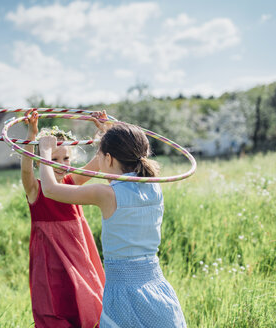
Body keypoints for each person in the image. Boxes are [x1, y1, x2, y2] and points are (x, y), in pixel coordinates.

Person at [38, 122, 187, 328]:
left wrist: (45, 151)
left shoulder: (106, 194)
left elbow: (50, 190)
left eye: (100, 154)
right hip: (156, 286)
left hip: (123, 293)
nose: (98, 159)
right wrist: (110, 135)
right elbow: (121, 169)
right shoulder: (154, 186)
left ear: (108, 158)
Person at [21, 109, 106, 328]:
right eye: (53, 158)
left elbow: (98, 163)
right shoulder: (35, 190)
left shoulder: (71, 182)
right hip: (51, 257)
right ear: (41, 161)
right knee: (55, 301)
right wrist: (32, 136)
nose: (61, 164)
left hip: (78, 251)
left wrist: (104, 130)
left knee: (88, 296)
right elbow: (26, 171)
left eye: (66, 158)